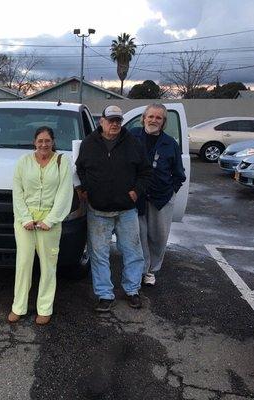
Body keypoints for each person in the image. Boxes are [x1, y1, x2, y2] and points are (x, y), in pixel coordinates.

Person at [75, 105, 151, 312]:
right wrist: (85, 188)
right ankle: (104, 295)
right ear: (102, 121)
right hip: (98, 211)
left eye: (118, 120)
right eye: (111, 120)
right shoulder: (89, 143)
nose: (115, 124)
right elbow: (80, 168)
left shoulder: (133, 144)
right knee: (98, 254)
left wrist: (136, 192)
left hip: (126, 211)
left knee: (133, 252)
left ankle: (132, 290)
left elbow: (145, 172)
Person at [8, 126, 73, 325]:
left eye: (47, 140)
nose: (43, 144)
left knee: (48, 266)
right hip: (24, 221)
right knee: (23, 264)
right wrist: (25, 218)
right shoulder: (23, 162)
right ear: (34, 142)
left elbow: (64, 193)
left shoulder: (63, 162)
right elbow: (17, 192)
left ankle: (45, 308)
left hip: (49, 222)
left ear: (53, 141)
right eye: (40, 141)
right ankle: (18, 306)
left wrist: (50, 220)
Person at [130, 104, 186, 286]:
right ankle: (142, 269)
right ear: (144, 118)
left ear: (163, 122)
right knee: (138, 236)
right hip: (136, 197)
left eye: (158, 118)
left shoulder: (171, 144)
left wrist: (170, 192)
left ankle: (152, 270)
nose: (154, 120)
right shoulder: (131, 137)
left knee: (158, 237)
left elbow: (179, 174)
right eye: (151, 116)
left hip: (161, 199)